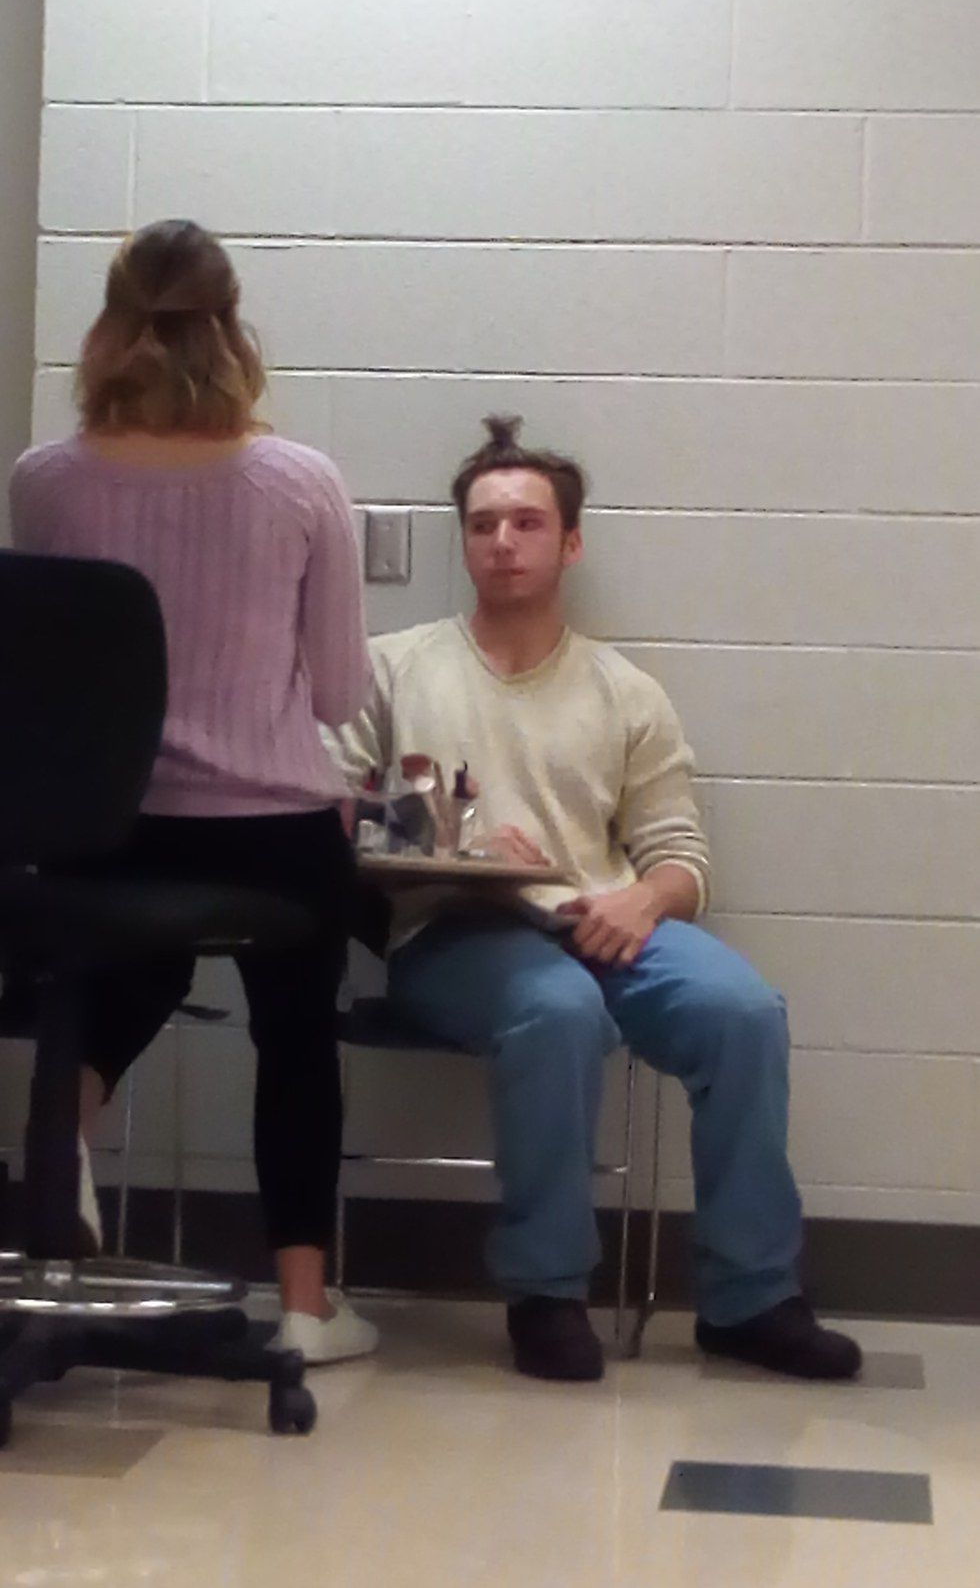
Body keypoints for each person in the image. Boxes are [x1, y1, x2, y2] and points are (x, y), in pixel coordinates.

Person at [330, 414, 862, 1384]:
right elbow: (324, 810)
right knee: (556, 1009)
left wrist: (644, 902)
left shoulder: (625, 691)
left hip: (598, 917)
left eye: (527, 522)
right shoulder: (391, 666)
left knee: (743, 1012)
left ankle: (749, 1299)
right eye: (483, 524)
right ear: (464, 542)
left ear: (570, 543)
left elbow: (679, 855)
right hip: (451, 931)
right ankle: (545, 1293)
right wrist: (455, 843)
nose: (503, 541)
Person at [10, 219, 377, 1366]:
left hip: (109, 830)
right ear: (233, 324)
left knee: (132, 967)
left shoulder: (45, 480)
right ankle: (307, 1308)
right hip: (272, 834)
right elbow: (338, 694)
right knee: (296, 1035)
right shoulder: (300, 480)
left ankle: (64, 1131)